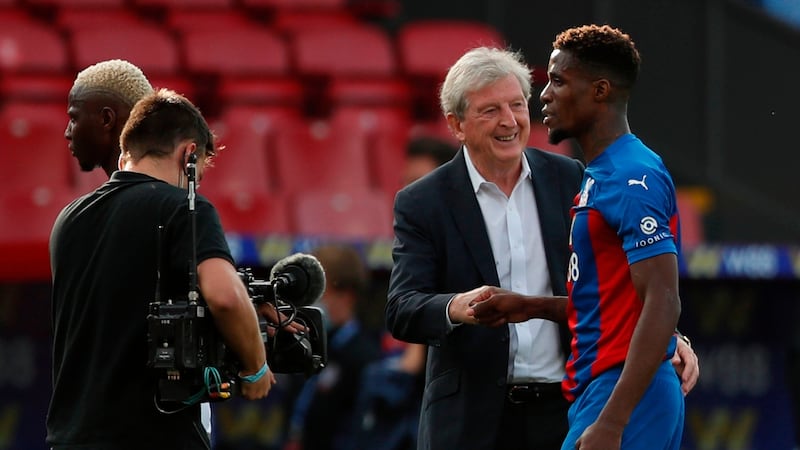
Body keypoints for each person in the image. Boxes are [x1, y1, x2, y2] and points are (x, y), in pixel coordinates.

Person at [385, 46, 699, 450]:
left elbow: (619, 286)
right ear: (456, 124)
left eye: (517, 104)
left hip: (564, 406)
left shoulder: (572, 176)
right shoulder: (422, 201)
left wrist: (669, 339)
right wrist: (455, 307)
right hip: (471, 421)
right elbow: (401, 308)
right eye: (490, 110)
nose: (509, 121)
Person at [470, 25, 691, 450]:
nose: (545, 95)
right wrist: (528, 305)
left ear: (600, 91)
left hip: (626, 394)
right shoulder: (599, 175)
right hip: (601, 388)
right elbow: (610, 302)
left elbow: (663, 300)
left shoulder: (632, 176)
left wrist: (613, 422)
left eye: (558, 81)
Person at [47, 89, 284, 449]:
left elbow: (123, 302)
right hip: (153, 436)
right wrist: (256, 367)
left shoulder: (68, 219)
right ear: (189, 154)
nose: (197, 184)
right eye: (199, 174)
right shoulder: (185, 208)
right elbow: (223, 297)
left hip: (70, 437)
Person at [284, 243, 381, 450]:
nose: (309, 301)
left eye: (318, 291)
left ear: (346, 295)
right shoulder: (304, 347)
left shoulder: (365, 358)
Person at [65, 59, 154, 177]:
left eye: (73, 119)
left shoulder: (108, 196)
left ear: (106, 119)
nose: (67, 133)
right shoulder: (178, 189)